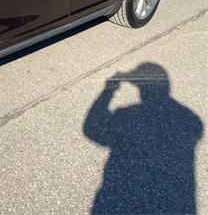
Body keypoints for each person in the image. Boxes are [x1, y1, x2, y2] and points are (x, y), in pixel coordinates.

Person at [84, 63, 203, 214]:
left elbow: (92, 130)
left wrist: (108, 91)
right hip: (177, 203)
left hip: (120, 195)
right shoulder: (190, 118)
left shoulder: (126, 115)